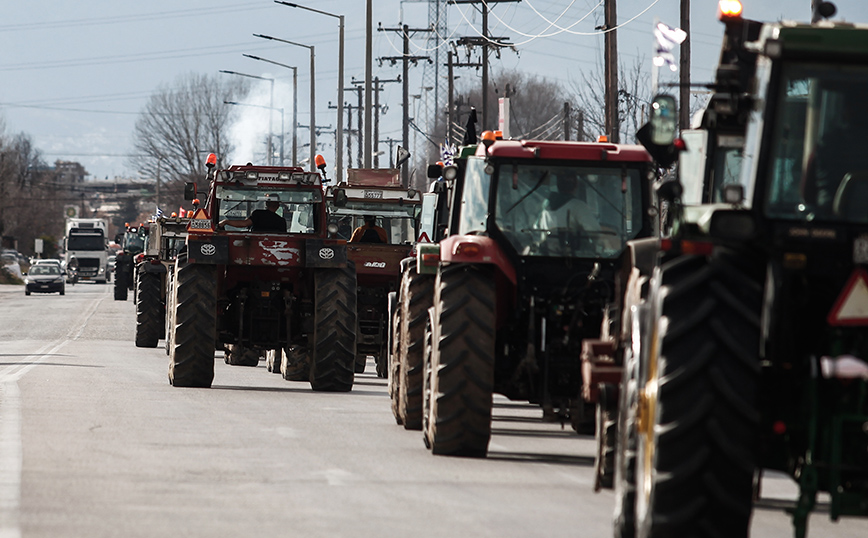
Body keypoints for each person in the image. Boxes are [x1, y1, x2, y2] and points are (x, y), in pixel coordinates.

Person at [219, 193, 287, 232]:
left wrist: (226, 222)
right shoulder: (281, 221)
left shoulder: (258, 214)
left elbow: (244, 223)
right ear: (278, 206)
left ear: (266, 203)